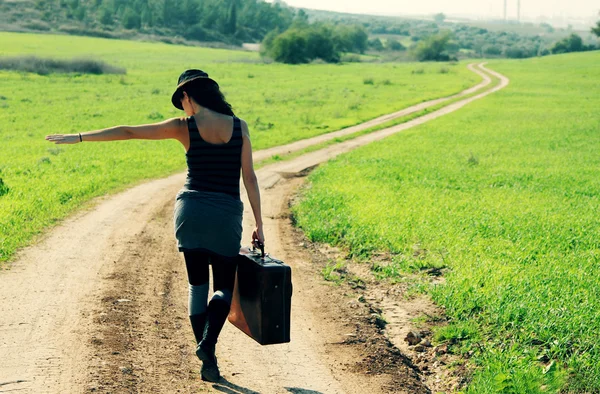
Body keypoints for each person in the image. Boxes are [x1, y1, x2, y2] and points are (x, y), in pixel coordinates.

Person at [45, 69, 265, 383]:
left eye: (182, 101)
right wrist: (259, 223)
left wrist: (79, 137)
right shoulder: (239, 127)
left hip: (190, 211)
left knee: (197, 286)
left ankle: (209, 363)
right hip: (226, 214)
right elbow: (250, 178)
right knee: (223, 289)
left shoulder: (183, 127)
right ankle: (208, 343)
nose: (182, 108)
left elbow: (129, 131)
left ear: (189, 96)